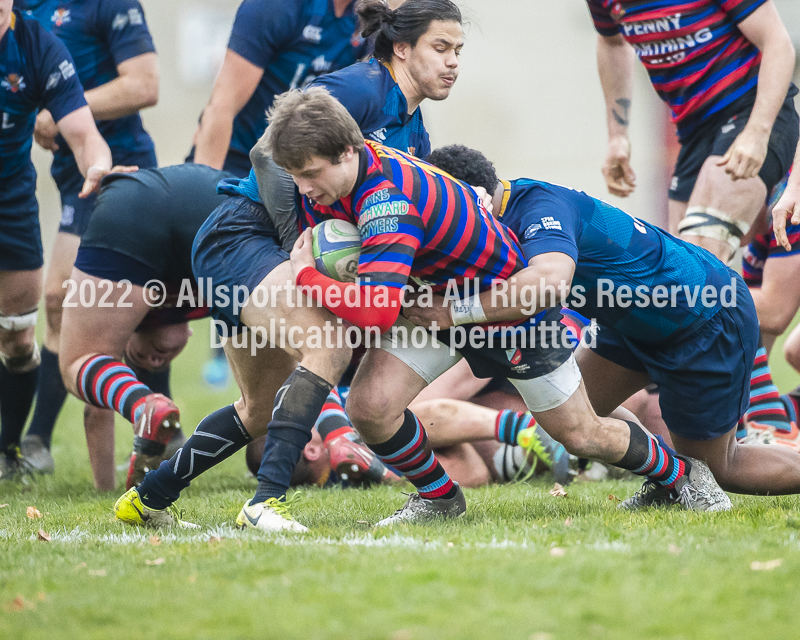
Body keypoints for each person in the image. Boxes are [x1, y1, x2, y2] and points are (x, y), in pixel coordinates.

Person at [112, 0, 468, 532]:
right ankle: (265, 502)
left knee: (258, 410)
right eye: (441, 48)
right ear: (402, 48)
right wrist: (294, 247)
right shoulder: (360, 88)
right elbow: (265, 153)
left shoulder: (414, 131)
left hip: (266, 252)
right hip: (242, 236)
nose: (453, 62)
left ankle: (146, 499)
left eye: (459, 50)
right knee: (329, 342)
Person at [421, 144, 800, 508]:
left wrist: (454, 313)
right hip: (633, 320)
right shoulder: (505, 211)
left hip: (702, 318)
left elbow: (551, 283)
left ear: (471, 197)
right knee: (572, 417)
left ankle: (679, 477)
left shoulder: (537, 210)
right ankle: (667, 477)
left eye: (440, 209)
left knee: (721, 469)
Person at [587, 0, 799, 436]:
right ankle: (744, 427)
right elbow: (611, 43)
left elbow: (778, 41)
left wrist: (758, 134)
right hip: (695, 134)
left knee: (696, 277)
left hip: (751, 113)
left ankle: (765, 423)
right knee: (683, 285)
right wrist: (617, 136)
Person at [17, 0, 159, 474]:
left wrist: (63, 108)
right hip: (68, 173)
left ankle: (37, 439)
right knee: (65, 302)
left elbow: (145, 85)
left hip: (118, 168)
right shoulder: (19, 9)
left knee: (81, 301)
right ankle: (35, 441)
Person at [58, 164, 231, 491]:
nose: (154, 362)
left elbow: (96, 395)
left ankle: (142, 405)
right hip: (211, 200)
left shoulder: (204, 297)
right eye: (153, 360)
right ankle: (336, 439)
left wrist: (104, 489)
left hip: (143, 201)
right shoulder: (218, 294)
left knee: (79, 362)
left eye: (139, 359)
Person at [0, 2, 114, 478]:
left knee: (19, 340)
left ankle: (7, 450)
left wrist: (97, 164)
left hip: (11, 205)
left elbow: (83, 133)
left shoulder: (36, 46)